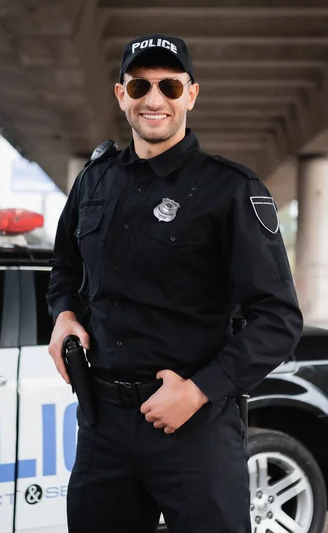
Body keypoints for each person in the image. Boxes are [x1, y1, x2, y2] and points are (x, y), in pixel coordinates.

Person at [47, 33, 303, 533]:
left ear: (191, 94)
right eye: (140, 86)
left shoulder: (231, 189)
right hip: (102, 423)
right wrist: (64, 316)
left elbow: (279, 318)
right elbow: (65, 268)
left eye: (169, 85)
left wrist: (199, 391)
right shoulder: (93, 182)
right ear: (121, 95)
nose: (154, 99)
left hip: (196, 428)